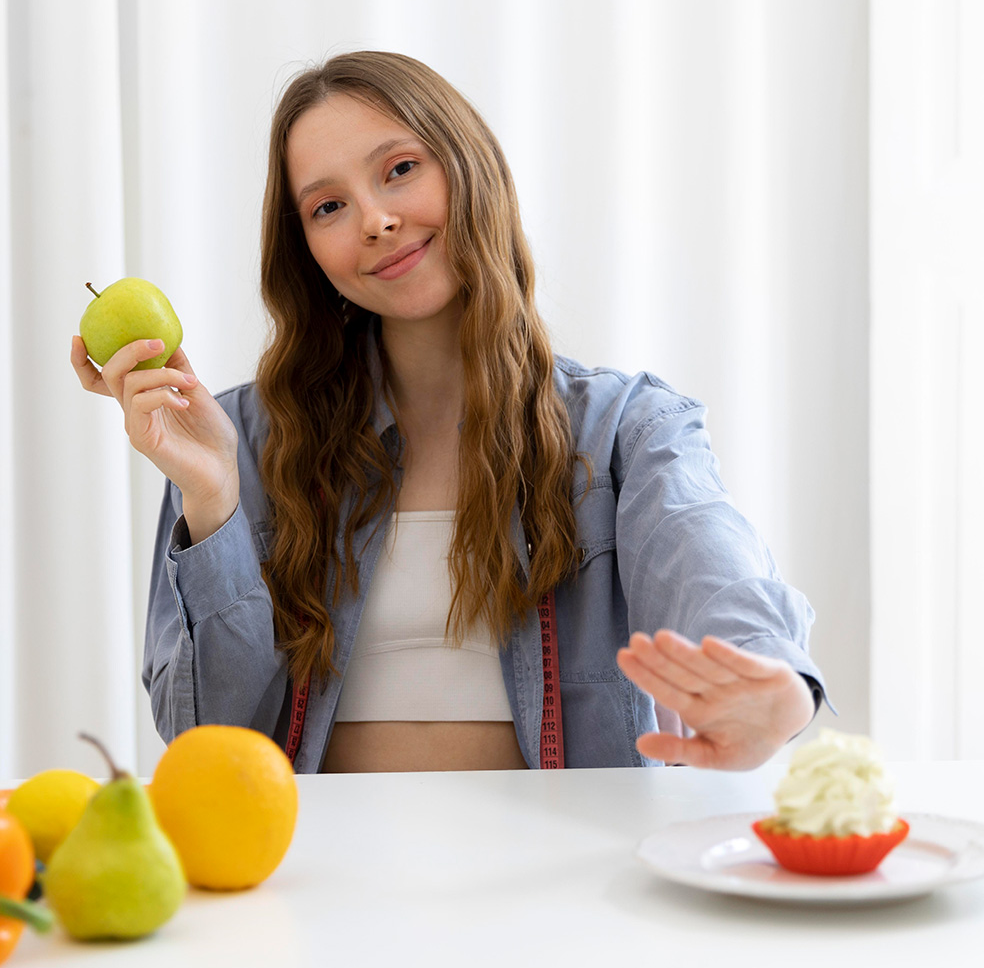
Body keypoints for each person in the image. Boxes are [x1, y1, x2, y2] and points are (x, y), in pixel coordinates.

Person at [71, 50, 829, 775]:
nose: (374, 219)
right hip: (319, 881)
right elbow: (206, 739)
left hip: (561, 878)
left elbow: (713, 570)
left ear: (470, 169)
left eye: (400, 170)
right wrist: (210, 498)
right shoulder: (240, 438)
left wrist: (773, 685)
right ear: (308, 252)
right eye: (329, 206)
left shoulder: (627, 428)